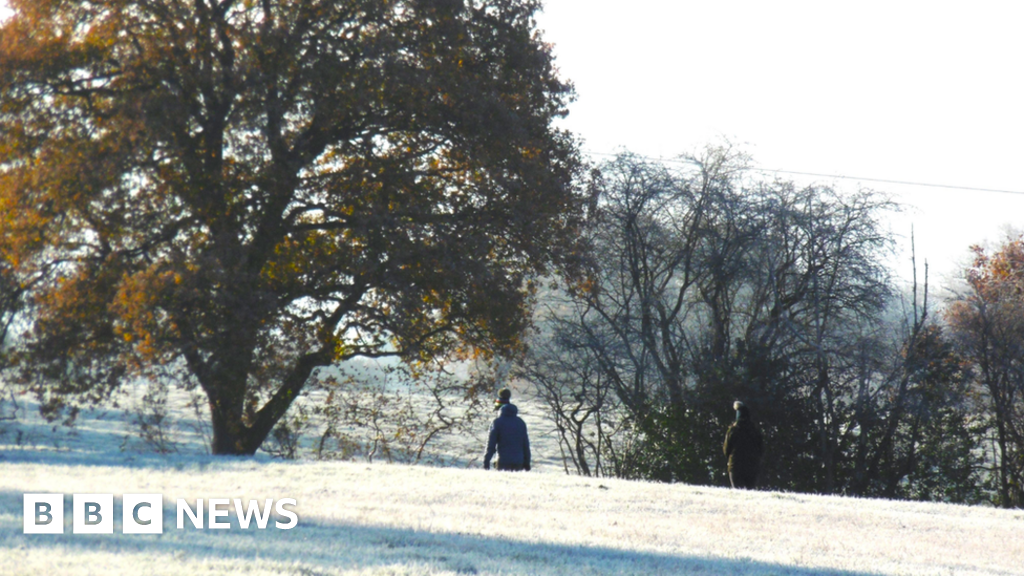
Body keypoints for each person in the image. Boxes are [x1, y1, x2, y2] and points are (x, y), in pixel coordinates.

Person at [723, 400, 763, 489]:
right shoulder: (755, 430)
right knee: (750, 492)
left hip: (735, 466)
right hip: (752, 466)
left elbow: (726, 450)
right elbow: (761, 450)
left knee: (738, 492)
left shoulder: (733, 430)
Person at [484, 402, 531, 472]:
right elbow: (525, 445)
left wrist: (486, 460)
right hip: (518, 461)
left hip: (503, 460)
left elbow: (491, 444)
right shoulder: (520, 423)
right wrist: (527, 462)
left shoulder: (497, 422)